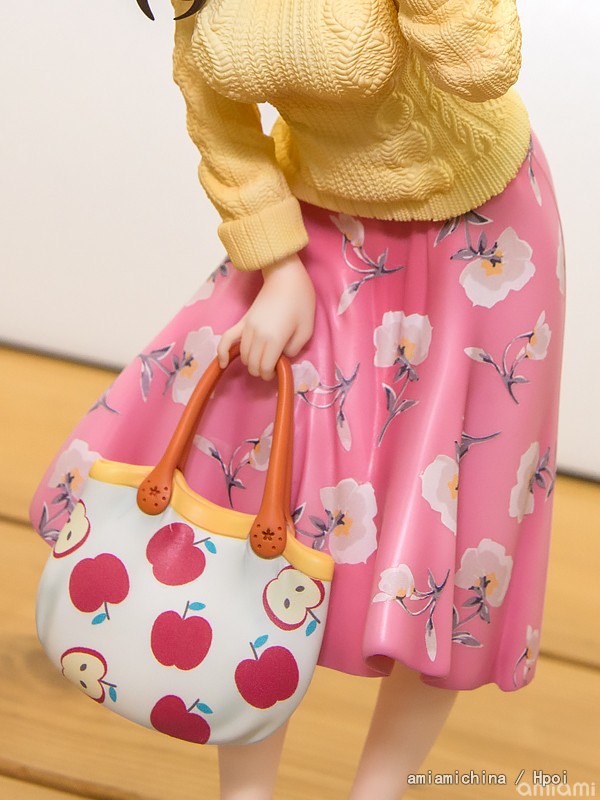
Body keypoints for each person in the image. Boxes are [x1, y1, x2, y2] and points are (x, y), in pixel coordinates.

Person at [30, 0, 566, 797]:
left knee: (449, 528)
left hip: (481, 235)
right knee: (255, 488)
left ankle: (379, 791)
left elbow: (481, 67)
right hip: (315, 228)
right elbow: (219, 123)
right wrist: (277, 266)